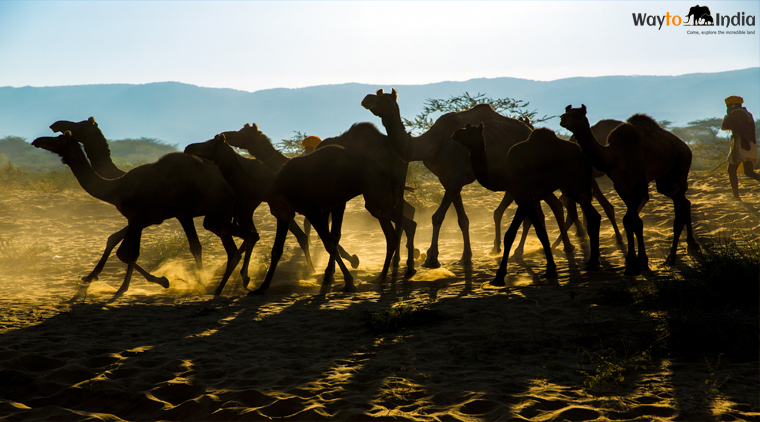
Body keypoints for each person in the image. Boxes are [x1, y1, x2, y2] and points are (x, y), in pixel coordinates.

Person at [721, 95, 759, 201]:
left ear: (732, 106)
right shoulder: (746, 114)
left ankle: (736, 196)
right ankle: (736, 196)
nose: (727, 109)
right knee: (749, 172)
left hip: (741, 146)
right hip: (750, 146)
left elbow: (724, 125)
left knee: (731, 170)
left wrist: (726, 116)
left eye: (728, 107)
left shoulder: (736, 114)